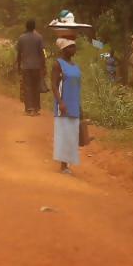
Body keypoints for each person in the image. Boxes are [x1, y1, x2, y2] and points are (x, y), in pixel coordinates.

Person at [51, 38, 82, 175]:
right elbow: (54, 84)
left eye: (74, 46)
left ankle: (67, 164)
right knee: (64, 134)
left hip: (74, 105)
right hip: (63, 106)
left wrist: (79, 106)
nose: (74, 49)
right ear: (64, 49)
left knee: (72, 136)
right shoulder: (58, 64)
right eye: (71, 47)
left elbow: (76, 87)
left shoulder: (75, 66)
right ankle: (63, 166)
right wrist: (60, 102)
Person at [16, 19, 45, 116]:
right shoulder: (39, 37)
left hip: (26, 67)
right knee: (36, 87)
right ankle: (36, 109)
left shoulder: (21, 38)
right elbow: (42, 54)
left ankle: (29, 109)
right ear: (34, 27)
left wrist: (18, 66)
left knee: (27, 87)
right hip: (37, 67)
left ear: (26, 27)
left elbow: (19, 54)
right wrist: (43, 68)